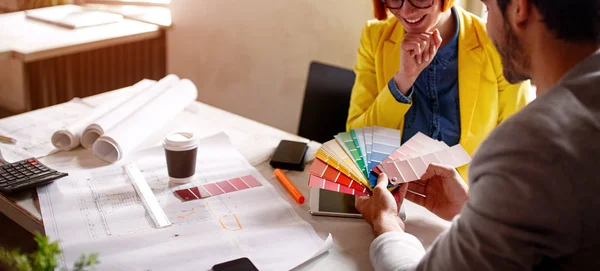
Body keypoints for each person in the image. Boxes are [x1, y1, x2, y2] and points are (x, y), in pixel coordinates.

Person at [356, 0, 600, 269]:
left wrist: (386, 222)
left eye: (487, 7)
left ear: (519, 8)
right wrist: (471, 207)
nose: (407, 11)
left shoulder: (530, 147)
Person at [346, 0, 531, 183]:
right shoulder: (375, 36)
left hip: (468, 200)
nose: (407, 12)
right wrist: (403, 80)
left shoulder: (496, 41)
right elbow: (358, 142)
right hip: (391, 194)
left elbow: (517, 147)